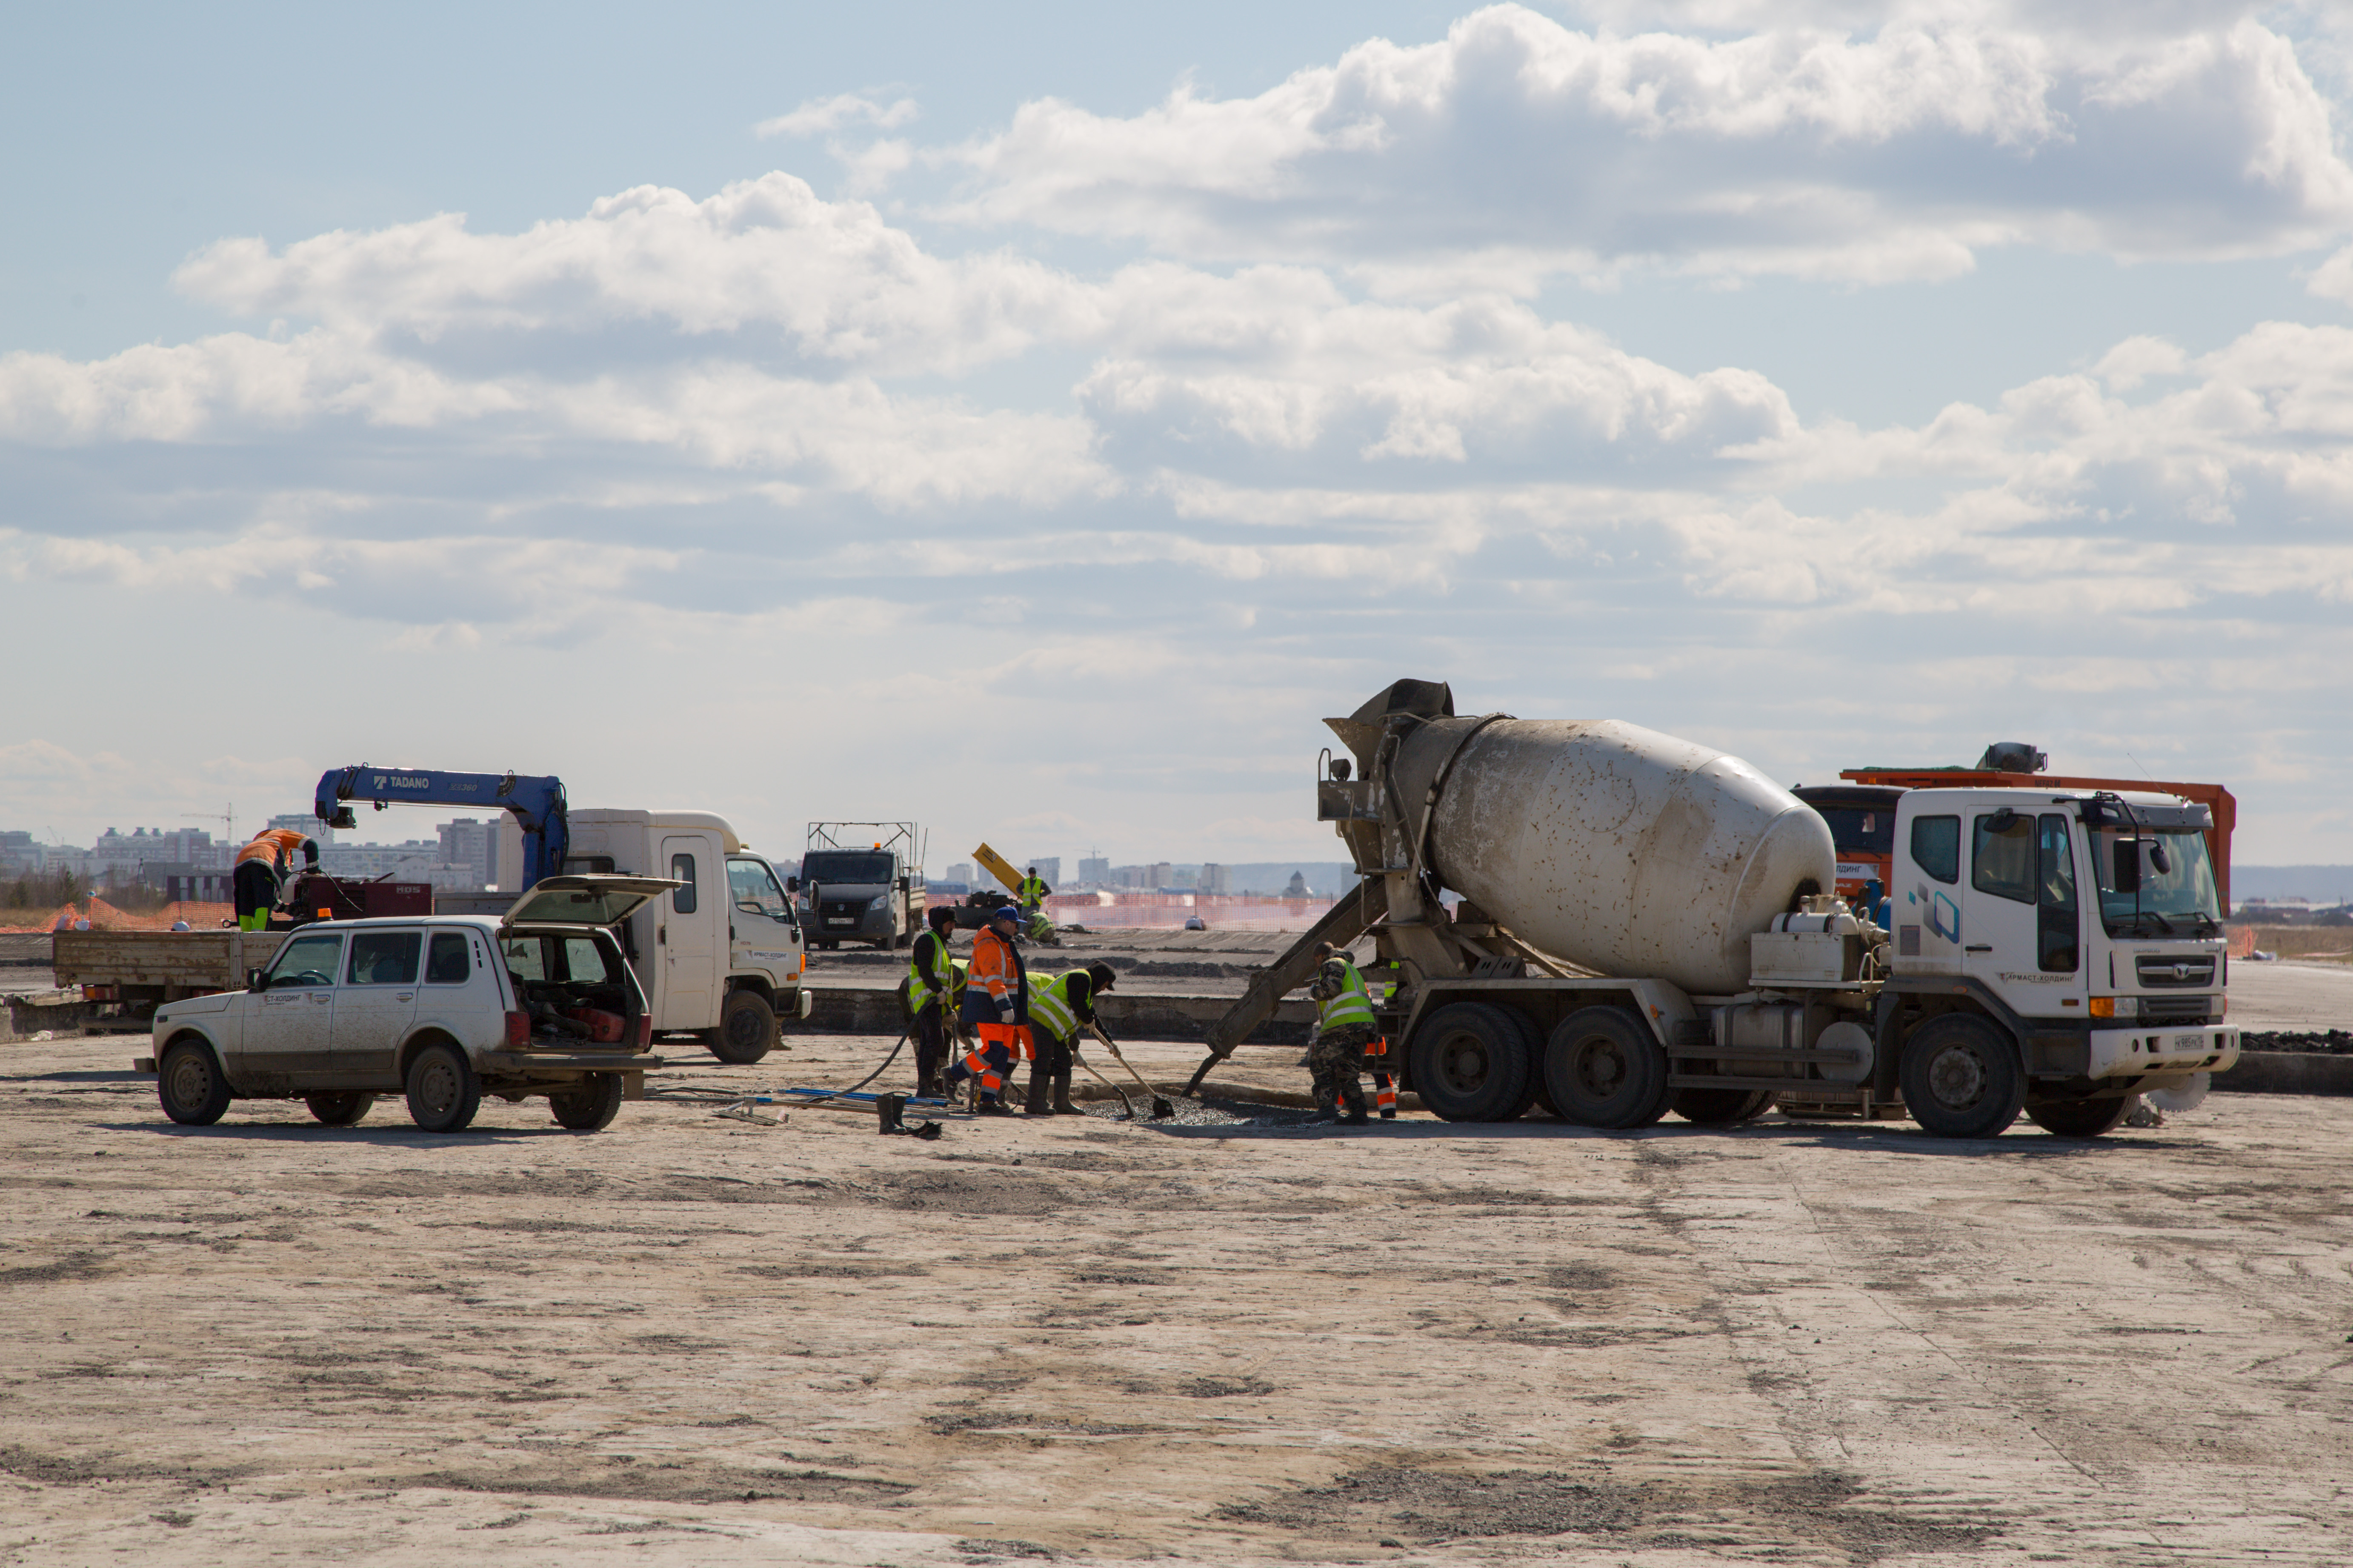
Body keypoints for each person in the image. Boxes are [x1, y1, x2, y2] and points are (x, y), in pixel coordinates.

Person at [949, 905, 1029, 1115]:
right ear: (1006, 923)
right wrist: (1005, 1005)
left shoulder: (1004, 945)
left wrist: (1009, 1007)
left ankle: (987, 1101)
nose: (1017, 930)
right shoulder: (990, 945)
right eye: (1015, 925)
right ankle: (952, 1076)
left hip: (1003, 1009)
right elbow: (992, 979)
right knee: (993, 1050)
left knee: (1001, 1056)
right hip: (990, 1007)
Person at [1022, 961, 1118, 1115]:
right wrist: (1088, 1019)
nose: (1103, 989)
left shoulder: (1087, 991)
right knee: (1044, 1059)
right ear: (1100, 978)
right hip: (1043, 1020)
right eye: (1105, 985)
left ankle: (1062, 1104)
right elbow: (1078, 1004)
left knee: (1064, 1061)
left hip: (1056, 1029)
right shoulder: (1081, 978)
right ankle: (1035, 1102)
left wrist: (1110, 1043)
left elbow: (1093, 1016)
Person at [1306, 940, 1375, 1126]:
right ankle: (1359, 1114)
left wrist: (1314, 991)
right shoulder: (1353, 969)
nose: (1318, 965)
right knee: (1347, 1073)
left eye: (1317, 961)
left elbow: (1331, 989)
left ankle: (1326, 1109)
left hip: (1343, 1025)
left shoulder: (1332, 963)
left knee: (1319, 1061)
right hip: (1361, 1026)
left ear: (1321, 956)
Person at [906, 905, 961, 1099]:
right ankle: (925, 1087)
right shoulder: (927, 940)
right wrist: (938, 992)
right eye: (950, 922)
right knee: (935, 1041)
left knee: (932, 1042)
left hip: (936, 1002)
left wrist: (947, 1007)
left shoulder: (940, 943)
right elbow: (925, 970)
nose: (953, 926)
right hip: (927, 1000)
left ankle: (925, 1087)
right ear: (939, 923)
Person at [232, 827, 317, 932]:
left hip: (241, 864)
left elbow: (268, 898)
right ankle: (258, 937)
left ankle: (244, 937)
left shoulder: (260, 841)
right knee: (263, 903)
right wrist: (312, 872)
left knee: (246, 904)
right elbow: (310, 844)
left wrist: (286, 909)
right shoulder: (282, 833)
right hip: (263, 863)